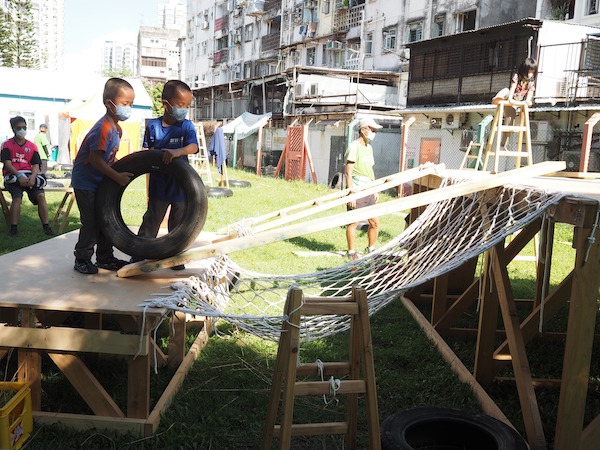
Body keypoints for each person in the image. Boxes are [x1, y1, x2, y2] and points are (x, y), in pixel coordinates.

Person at [130, 80, 198, 270]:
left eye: (187, 106)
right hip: (159, 181)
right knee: (153, 217)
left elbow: (194, 147)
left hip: (181, 184)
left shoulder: (186, 126)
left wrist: (178, 152)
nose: (183, 110)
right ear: (166, 104)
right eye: (180, 105)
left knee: (179, 221)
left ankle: (174, 256)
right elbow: (147, 150)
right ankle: (140, 252)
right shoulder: (153, 125)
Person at [70, 78, 135, 274]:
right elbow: (96, 160)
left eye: (131, 104)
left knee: (106, 219)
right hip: (86, 183)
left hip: (99, 182)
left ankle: (105, 258)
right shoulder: (103, 128)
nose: (128, 108)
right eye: (125, 104)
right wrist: (116, 177)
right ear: (109, 104)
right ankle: (82, 258)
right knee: (92, 222)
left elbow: (108, 158)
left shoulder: (117, 128)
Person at [1, 116, 54, 237]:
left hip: (30, 176)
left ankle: (46, 227)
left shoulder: (32, 146)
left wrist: (33, 177)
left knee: (41, 195)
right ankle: (13, 229)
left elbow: (36, 165)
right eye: (19, 128)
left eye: (24, 127)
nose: (22, 130)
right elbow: (7, 164)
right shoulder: (6, 145)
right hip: (13, 176)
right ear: (13, 128)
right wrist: (19, 175)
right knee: (17, 197)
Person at [344, 117, 382, 261]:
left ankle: (371, 248)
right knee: (353, 222)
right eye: (372, 130)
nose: (373, 133)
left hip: (369, 190)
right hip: (357, 189)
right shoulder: (354, 146)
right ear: (363, 130)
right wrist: (351, 194)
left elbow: (370, 170)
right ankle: (351, 251)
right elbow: (348, 172)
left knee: (374, 222)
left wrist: (375, 189)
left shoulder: (369, 148)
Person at [492, 57, 538, 149]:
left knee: (510, 121)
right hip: (510, 97)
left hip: (516, 103)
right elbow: (512, 89)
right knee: (505, 90)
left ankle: (502, 144)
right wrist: (510, 99)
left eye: (532, 72)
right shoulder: (517, 76)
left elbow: (529, 98)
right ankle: (497, 99)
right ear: (524, 70)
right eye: (529, 71)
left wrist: (527, 102)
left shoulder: (531, 82)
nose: (530, 74)